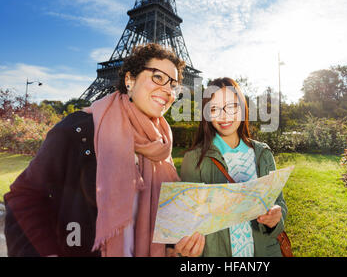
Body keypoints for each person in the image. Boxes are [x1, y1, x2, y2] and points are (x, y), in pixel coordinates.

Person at [3, 43, 205, 257]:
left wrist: (175, 250)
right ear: (130, 80)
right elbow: (24, 197)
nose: (167, 90)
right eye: (157, 77)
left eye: (173, 84)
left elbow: (154, 228)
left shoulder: (161, 146)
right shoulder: (80, 130)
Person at [180, 77, 287, 257]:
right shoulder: (193, 159)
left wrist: (276, 217)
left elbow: (279, 203)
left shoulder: (263, 153)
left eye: (231, 106)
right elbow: (186, 220)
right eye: (214, 109)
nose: (224, 116)